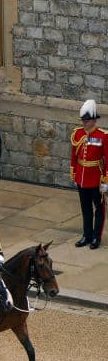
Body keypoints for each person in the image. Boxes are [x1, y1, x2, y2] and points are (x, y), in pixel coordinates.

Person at [71, 99, 107, 250]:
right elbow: (74, 155)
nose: (84, 123)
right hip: (81, 177)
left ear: (93, 120)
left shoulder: (103, 136)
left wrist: (106, 181)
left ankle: (96, 237)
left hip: (96, 179)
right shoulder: (77, 134)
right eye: (83, 121)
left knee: (99, 209)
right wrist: (74, 172)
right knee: (85, 208)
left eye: (87, 121)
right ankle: (87, 235)